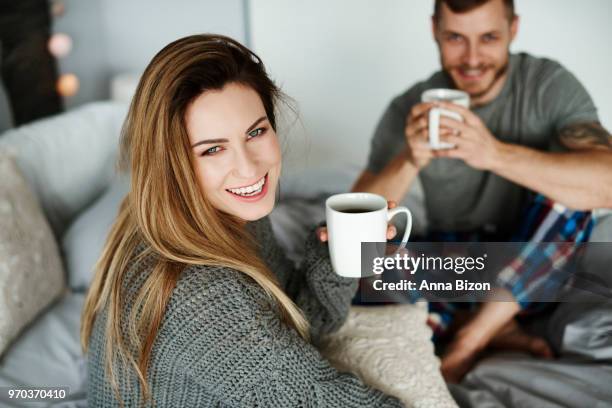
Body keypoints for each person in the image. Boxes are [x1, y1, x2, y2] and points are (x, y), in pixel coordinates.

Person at [80, 34, 403, 407]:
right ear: (172, 165)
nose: (249, 168)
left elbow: (288, 331)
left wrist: (336, 259)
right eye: (213, 149)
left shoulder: (224, 215)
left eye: (256, 132)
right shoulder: (201, 296)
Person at [352, 0, 612, 383]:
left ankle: (470, 337)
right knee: (362, 265)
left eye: (489, 37)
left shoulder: (547, 86)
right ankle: (494, 325)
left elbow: (605, 185)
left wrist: (494, 154)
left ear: (514, 29)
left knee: (574, 194)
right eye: (455, 37)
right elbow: (355, 226)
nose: (472, 59)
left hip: (536, 262)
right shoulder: (410, 106)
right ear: (434, 31)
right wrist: (410, 157)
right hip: (458, 266)